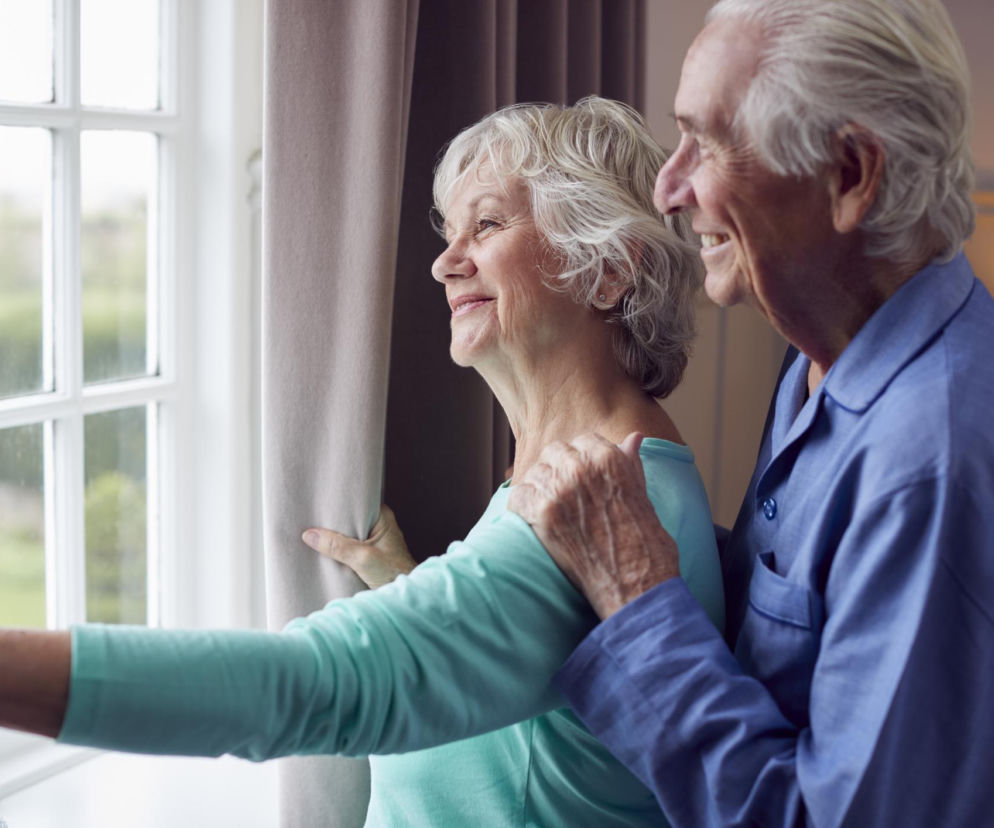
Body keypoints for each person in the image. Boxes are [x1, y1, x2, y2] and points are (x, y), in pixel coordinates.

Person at [0, 98, 724, 826]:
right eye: (450, 232)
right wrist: (409, 587)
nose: (445, 262)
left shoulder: (607, 507)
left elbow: (316, 686)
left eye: (489, 223)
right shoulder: (603, 474)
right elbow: (532, 726)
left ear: (604, 273)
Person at [508, 1, 994, 826]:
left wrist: (636, 596)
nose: (668, 185)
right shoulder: (823, 353)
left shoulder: (930, 464)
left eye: (709, 141)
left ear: (849, 175)